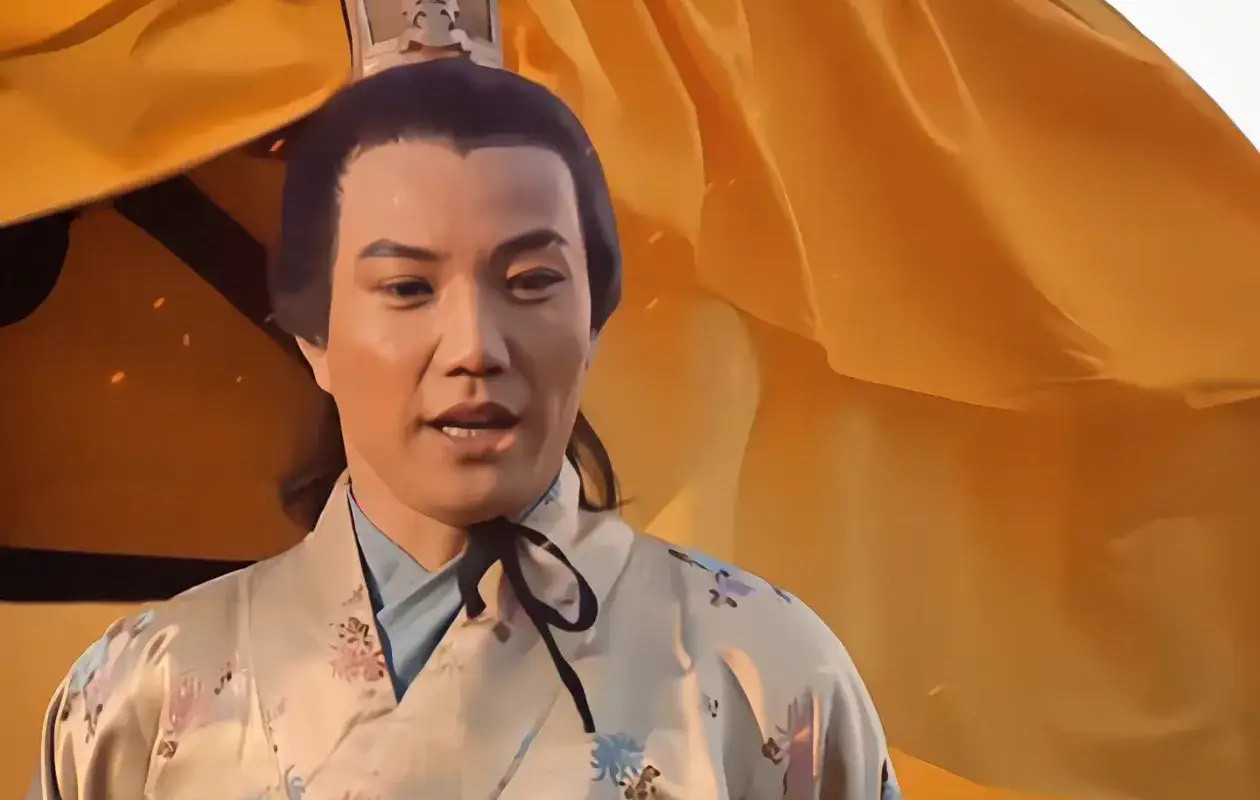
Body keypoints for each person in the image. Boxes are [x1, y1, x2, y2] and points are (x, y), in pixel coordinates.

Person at [30, 57, 900, 800]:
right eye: (407, 289)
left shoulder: (765, 673)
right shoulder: (145, 694)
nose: (476, 347)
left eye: (530, 282)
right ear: (314, 337)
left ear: (595, 321)